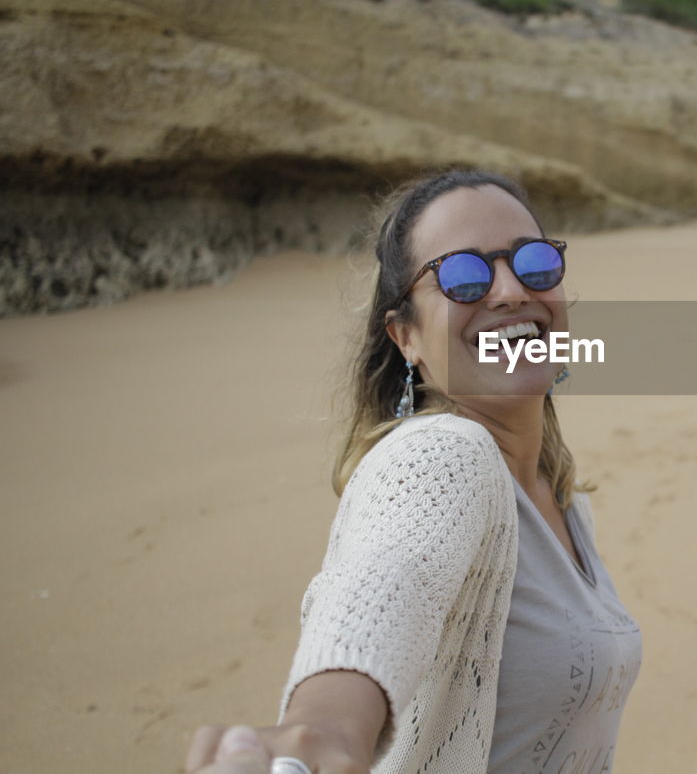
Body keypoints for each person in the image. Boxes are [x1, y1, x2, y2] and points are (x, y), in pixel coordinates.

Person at [184, 168, 643, 774]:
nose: (509, 290)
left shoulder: (561, 497)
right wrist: (322, 733)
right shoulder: (439, 457)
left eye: (532, 262)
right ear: (407, 338)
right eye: (461, 275)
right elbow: (382, 585)